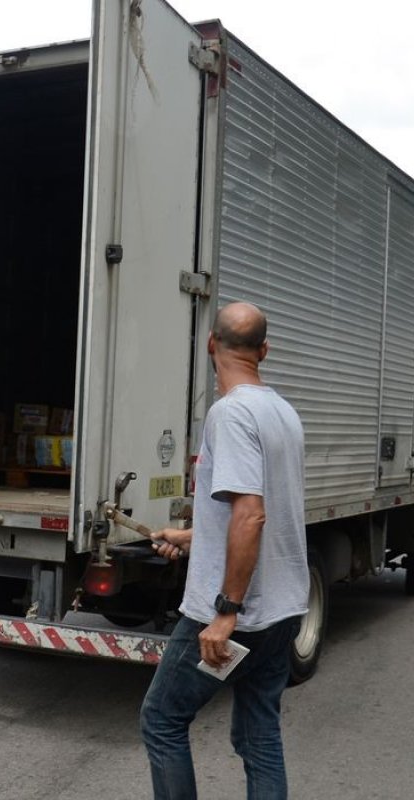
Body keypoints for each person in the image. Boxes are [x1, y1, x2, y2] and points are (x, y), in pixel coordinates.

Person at [141, 302, 308, 799]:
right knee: (258, 736)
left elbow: (251, 515)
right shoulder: (283, 412)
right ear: (264, 350)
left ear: (211, 344)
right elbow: (258, 516)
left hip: (239, 616)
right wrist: (191, 538)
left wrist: (225, 613)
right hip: (282, 612)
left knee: (163, 720)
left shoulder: (231, 413)